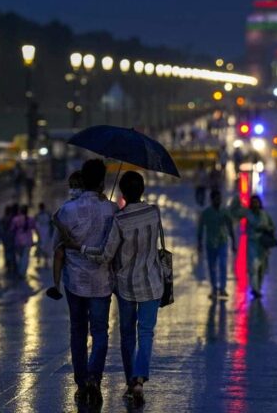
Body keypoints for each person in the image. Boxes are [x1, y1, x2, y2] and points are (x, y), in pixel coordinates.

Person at [79, 171, 166, 406]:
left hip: (126, 286)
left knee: (127, 335)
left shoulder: (119, 220)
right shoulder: (154, 212)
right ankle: (139, 380)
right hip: (152, 283)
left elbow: (106, 255)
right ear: (142, 190)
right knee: (146, 333)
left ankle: (130, 381)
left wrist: (83, 249)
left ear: (123, 193)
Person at [53, 159, 118, 405]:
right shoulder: (112, 210)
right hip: (101, 282)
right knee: (100, 332)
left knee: (78, 331)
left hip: (74, 282)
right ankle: (94, 377)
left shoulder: (67, 210)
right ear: (102, 182)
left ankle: (81, 381)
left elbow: (57, 245)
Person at [229, 195, 275, 299]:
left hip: (263, 244)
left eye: (256, 202)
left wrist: (268, 230)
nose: (255, 204)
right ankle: (254, 288)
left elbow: (272, 226)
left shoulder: (264, 215)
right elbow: (235, 213)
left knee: (262, 268)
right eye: (253, 203)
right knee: (253, 266)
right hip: (252, 242)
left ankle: (258, 287)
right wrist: (236, 200)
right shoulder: (248, 213)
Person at [197, 190, 236, 299]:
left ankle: (222, 288)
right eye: (216, 199)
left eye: (219, 198)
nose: (218, 201)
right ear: (212, 200)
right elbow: (200, 229)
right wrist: (199, 243)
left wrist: (234, 242)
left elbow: (230, 227)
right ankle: (214, 288)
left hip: (222, 242)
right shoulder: (206, 213)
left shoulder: (225, 212)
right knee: (212, 267)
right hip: (210, 243)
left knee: (223, 265)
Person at [52, 171, 83, 296]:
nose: (73, 190)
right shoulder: (67, 205)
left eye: (77, 186)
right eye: (72, 186)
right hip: (68, 241)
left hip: (79, 242)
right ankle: (56, 286)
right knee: (59, 252)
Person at [10, 205, 37, 278]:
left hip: (18, 240)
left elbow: (12, 229)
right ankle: (22, 272)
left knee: (19, 257)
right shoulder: (31, 219)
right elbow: (34, 228)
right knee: (25, 257)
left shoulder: (15, 219)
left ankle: (20, 271)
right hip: (28, 240)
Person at [34, 203, 54, 269]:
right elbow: (52, 224)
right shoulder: (48, 214)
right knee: (46, 247)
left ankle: (39, 260)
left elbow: (35, 224)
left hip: (41, 232)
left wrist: (37, 232)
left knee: (40, 246)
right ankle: (46, 261)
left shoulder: (38, 215)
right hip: (46, 231)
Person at [1, 205, 18, 275]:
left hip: (5, 237)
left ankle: (8, 263)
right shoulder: (12, 218)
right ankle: (12, 264)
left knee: (7, 251)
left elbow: (1, 228)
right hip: (11, 236)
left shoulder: (3, 219)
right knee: (12, 251)